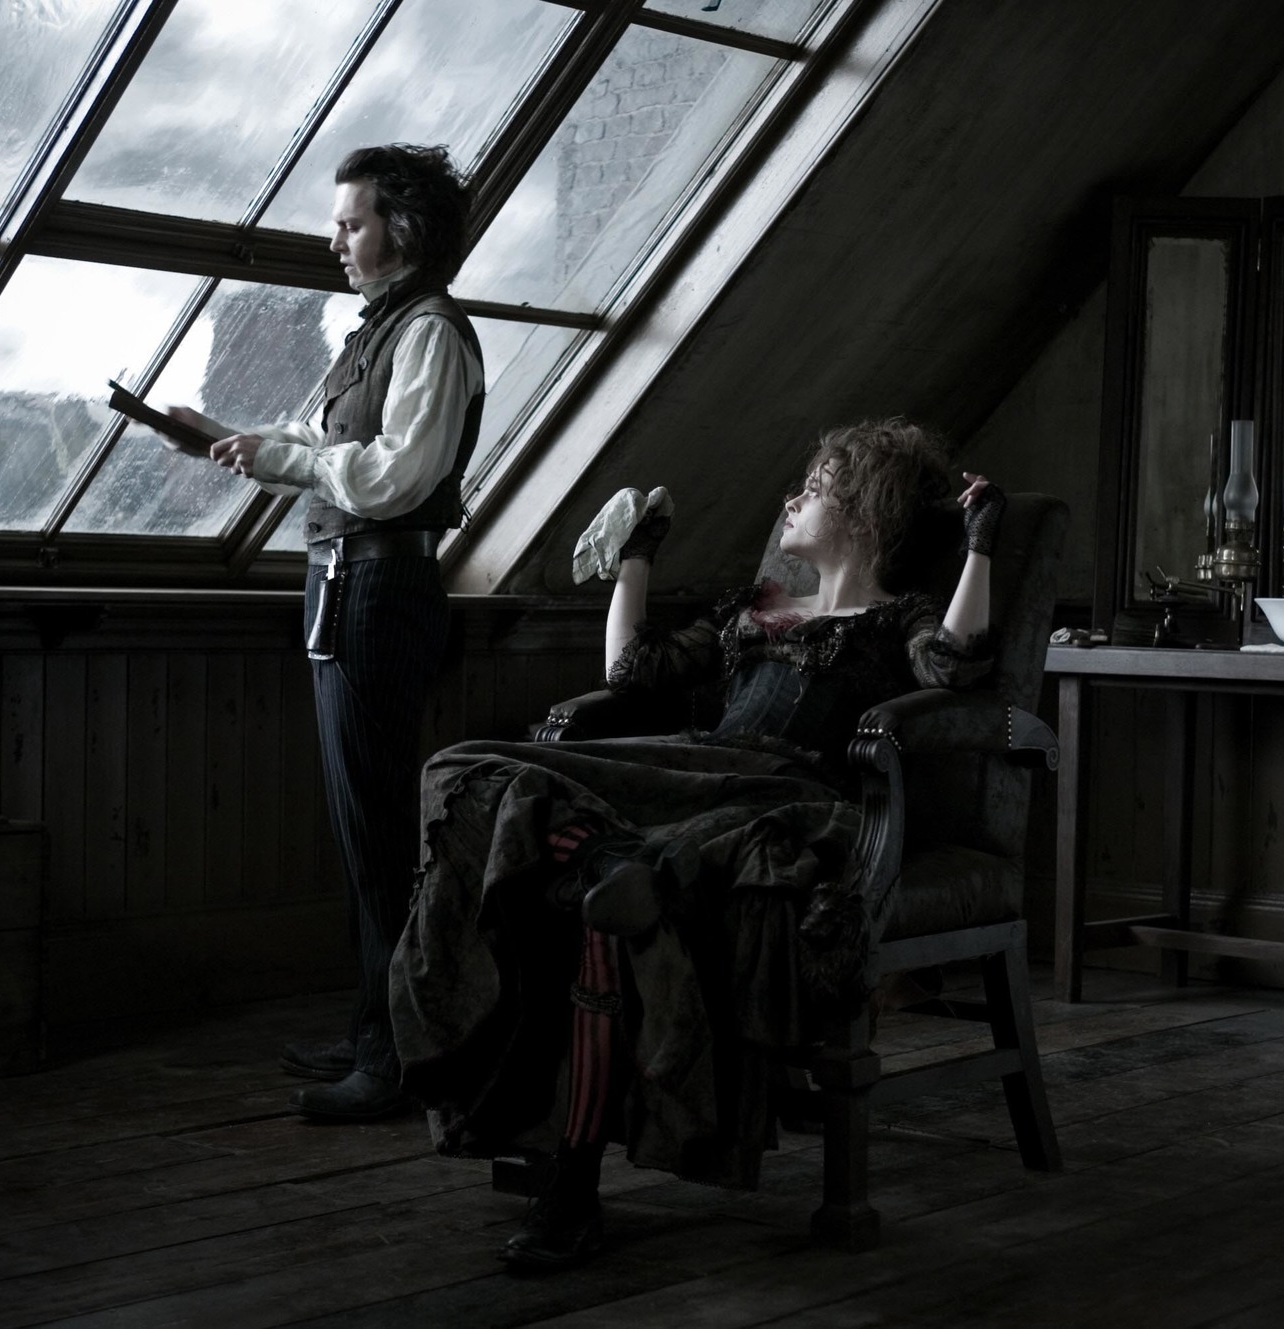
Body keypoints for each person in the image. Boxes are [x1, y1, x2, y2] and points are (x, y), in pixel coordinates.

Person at [389, 420, 1005, 1270]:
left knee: (596, 914)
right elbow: (629, 675)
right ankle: (606, 859)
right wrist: (637, 556)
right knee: (459, 768)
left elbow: (955, 664)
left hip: (778, 797)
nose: (791, 499)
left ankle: (571, 1188)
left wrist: (979, 543)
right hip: (688, 771)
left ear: (866, 512)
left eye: (816, 487)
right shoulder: (756, 610)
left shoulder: (897, 616)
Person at [166, 144, 483, 1121]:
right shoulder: (375, 334)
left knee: (380, 834)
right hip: (344, 588)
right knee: (361, 838)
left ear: (406, 230)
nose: (334, 239)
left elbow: (397, 477)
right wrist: (249, 444)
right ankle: (370, 1033)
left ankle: (393, 1061)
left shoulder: (429, 333)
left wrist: (287, 460)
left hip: (379, 592)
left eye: (351, 222)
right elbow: (328, 443)